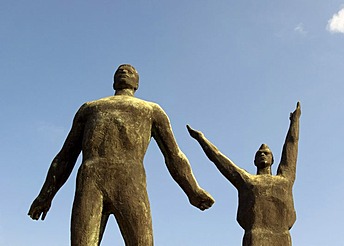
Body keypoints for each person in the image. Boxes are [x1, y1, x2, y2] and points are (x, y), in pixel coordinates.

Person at [28, 64, 214, 246]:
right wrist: (45, 195)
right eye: (119, 71)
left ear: (136, 83)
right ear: (113, 81)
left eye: (130, 71)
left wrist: (193, 190)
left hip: (130, 182)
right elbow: (65, 156)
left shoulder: (151, 110)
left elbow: (174, 155)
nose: (124, 71)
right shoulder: (90, 108)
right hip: (91, 182)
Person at [187, 102, 301, 246]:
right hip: (255, 236)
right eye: (259, 154)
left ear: (273, 160)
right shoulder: (247, 181)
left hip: (282, 237)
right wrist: (201, 139)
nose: (263, 155)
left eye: (266, 154)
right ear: (254, 160)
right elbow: (219, 159)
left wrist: (295, 122)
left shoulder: (284, 179)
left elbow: (291, 146)